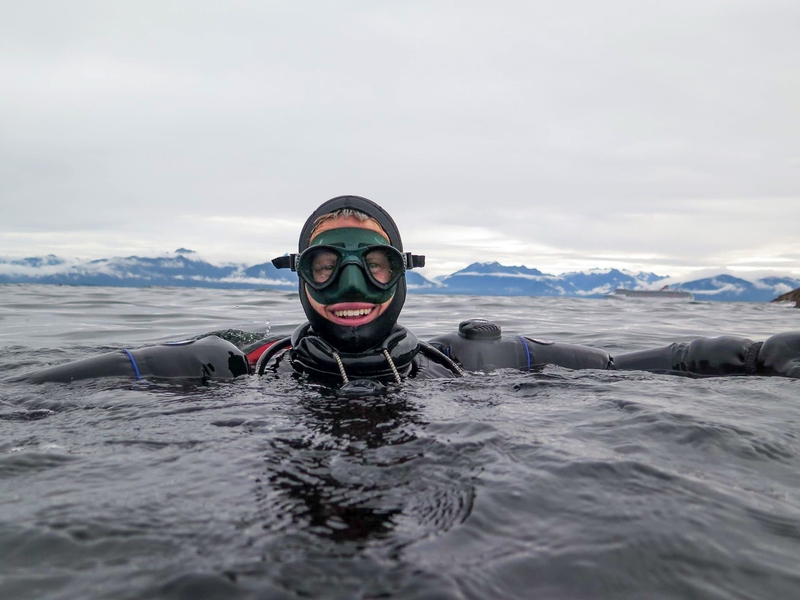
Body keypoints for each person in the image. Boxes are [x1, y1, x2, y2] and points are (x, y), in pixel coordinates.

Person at [23, 195, 800, 389]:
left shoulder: (470, 360)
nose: (352, 285)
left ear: (403, 270)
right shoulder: (230, 365)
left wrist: (766, 354)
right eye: (327, 265)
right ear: (296, 273)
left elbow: (644, 363)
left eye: (375, 264)